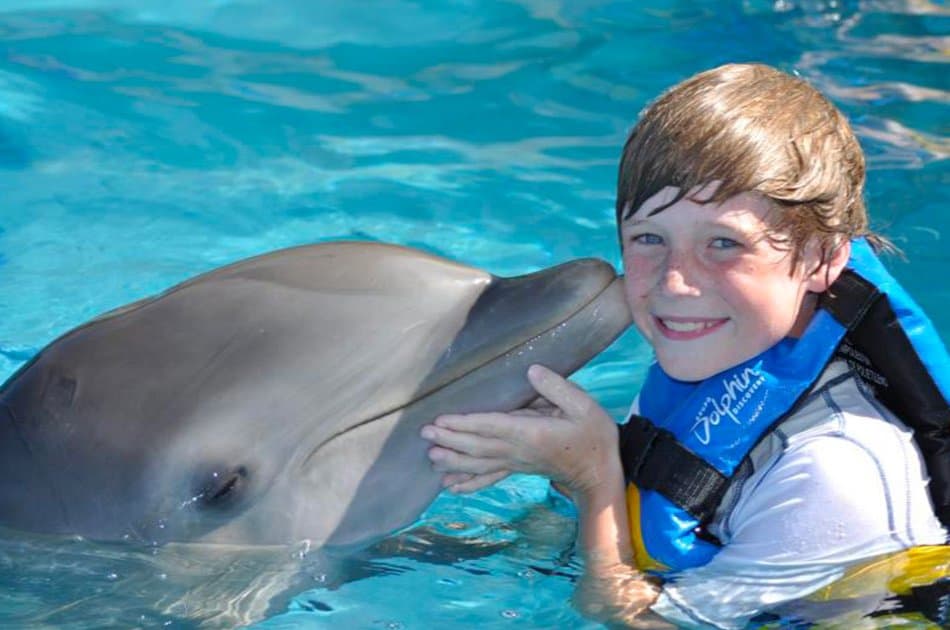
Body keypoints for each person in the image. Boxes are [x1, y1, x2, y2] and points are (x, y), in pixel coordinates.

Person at [420, 63, 949, 628]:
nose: (675, 282)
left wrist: (593, 475)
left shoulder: (834, 469)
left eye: (724, 243)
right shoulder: (715, 357)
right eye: (650, 239)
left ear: (822, 259)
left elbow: (630, 619)